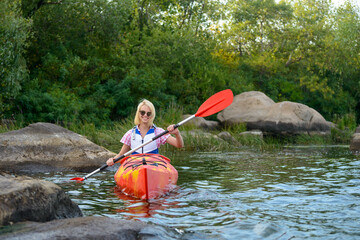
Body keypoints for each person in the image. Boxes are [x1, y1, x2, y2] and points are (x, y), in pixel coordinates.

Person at [106, 99, 184, 166]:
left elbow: (179, 145)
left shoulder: (158, 132)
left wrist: (177, 134)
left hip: (153, 165)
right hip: (135, 166)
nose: (145, 115)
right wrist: (113, 160)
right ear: (138, 114)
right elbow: (121, 155)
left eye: (148, 113)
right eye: (142, 112)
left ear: (152, 115)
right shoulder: (130, 133)